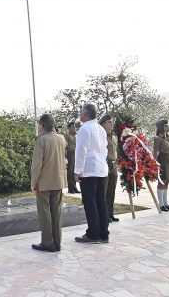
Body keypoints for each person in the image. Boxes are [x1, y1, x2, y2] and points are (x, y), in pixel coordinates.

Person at [30, 114, 67, 252]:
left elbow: (37, 164)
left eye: (39, 124)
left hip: (44, 182)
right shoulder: (61, 138)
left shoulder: (41, 140)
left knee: (44, 213)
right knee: (56, 212)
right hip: (58, 181)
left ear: (42, 126)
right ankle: (57, 242)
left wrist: (33, 182)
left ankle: (47, 242)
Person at [74, 103, 109, 244]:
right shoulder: (100, 128)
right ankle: (103, 233)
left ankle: (92, 234)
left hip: (89, 170)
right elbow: (105, 150)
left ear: (86, 114)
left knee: (90, 202)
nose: (80, 115)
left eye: (81, 112)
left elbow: (81, 151)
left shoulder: (84, 129)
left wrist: (77, 171)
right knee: (101, 202)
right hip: (101, 169)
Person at [99, 115, 119, 222]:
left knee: (112, 190)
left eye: (112, 122)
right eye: (109, 122)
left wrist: (117, 162)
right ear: (103, 124)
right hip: (105, 164)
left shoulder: (113, 136)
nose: (111, 124)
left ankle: (110, 213)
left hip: (113, 165)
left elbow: (115, 151)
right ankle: (104, 215)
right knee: (104, 191)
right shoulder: (101, 136)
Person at [154, 119, 169, 212]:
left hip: (168, 160)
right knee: (161, 182)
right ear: (161, 127)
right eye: (165, 125)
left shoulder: (168, 137)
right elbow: (155, 152)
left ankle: (166, 203)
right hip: (161, 160)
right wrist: (154, 164)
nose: (168, 127)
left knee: (167, 181)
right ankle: (161, 204)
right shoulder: (158, 138)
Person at [64, 121, 80, 194]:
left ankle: (74, 187)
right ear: (69, 128)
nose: (74, 127)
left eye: (74, 126)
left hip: (76, 153)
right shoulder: (67, 135)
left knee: (75, 171)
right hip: (70, 153)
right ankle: (70, 188)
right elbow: (65, 146)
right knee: (70, 172)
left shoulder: (76, 135)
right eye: (72, 126)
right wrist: (65, 157)